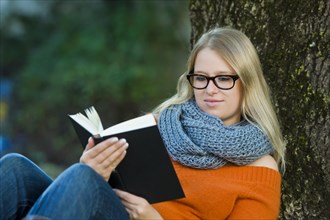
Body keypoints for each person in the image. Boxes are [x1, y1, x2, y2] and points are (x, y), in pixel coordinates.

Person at [0, 27, 285, 220]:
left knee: (81, 178)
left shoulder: (259, 168)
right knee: (15, 167)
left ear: (246, 83)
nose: (210, 89)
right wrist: (96, 165)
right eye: (201, 78)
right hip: (111, 209)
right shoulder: (163, 122)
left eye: (224, 78)